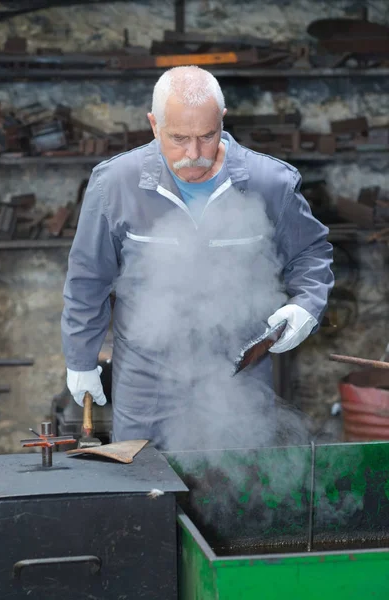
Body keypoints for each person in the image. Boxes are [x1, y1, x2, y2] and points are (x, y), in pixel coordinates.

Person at [61, 66, 334, 450]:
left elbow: (311, 252)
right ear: (154, 124)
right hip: (147, 382)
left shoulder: (269, 183)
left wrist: (307, 305)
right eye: (178, 138)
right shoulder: (115, 184)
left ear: (222, 121)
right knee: (146, 491)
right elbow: (88, 278)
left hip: (237, 374)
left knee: (240, 490)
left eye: (207, 136)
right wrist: (80, 359)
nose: (194, 155)